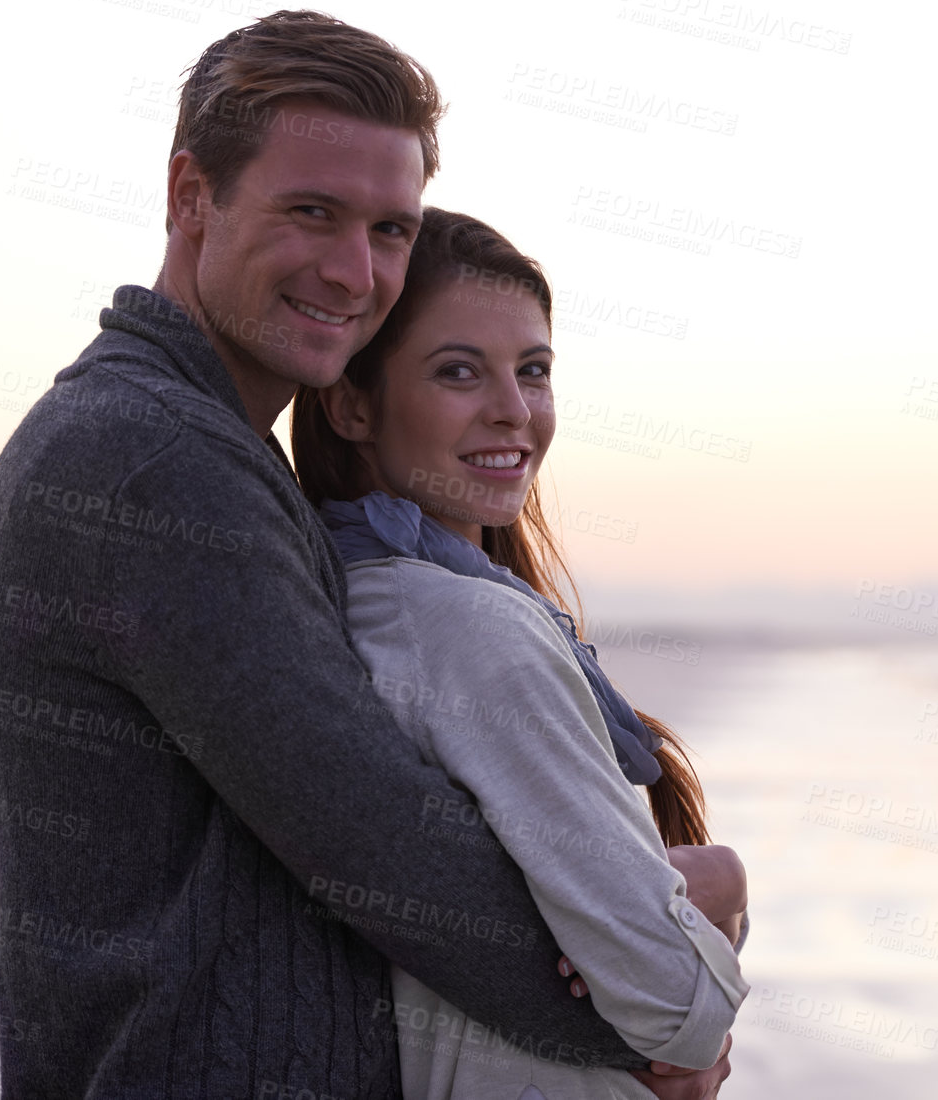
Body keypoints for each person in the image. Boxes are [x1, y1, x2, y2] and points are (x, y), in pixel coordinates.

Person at [0, 11, 728, 1098]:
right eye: (312, 213)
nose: (352, 271)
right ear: (192, 195)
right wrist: (658, 1009)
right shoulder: (148, 461)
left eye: (390, 230)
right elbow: (384, 850)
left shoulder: (209, 450)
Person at [291, 208, 751, 1097]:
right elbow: (679, 1009)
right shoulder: (471, 630)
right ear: (352, 402)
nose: (513, 409)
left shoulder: (351, 600)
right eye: (458, 371)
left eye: (532, 370)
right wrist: (718, 884)